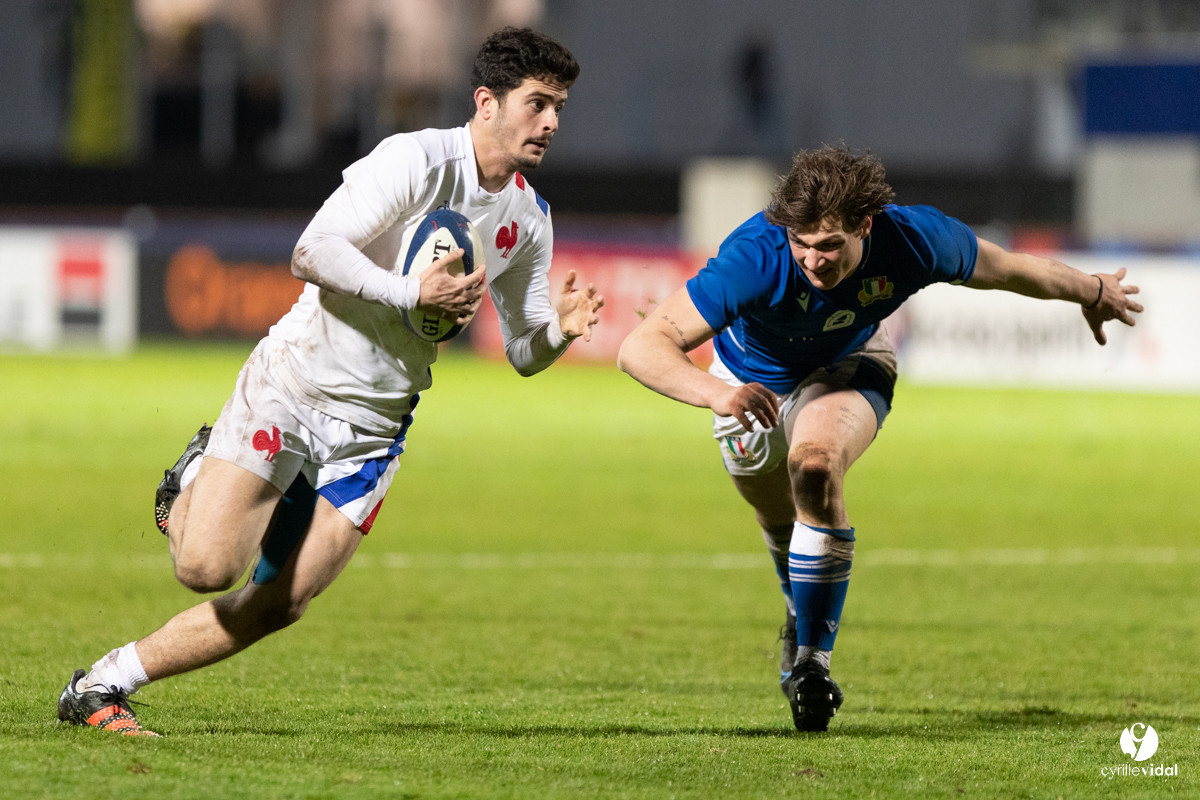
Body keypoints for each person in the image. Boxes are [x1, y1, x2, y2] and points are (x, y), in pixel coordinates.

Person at [57, 26, 603, 736]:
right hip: (294, 387)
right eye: (538, 103)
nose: (552, 122)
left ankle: (101, 685)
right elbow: (311, 250)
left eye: (560, 107)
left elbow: (524, 350)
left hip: (373, 430)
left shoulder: (528, 219)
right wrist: (410, 293)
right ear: (486, 102)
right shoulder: (414, 160)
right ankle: (192, 477)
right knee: (205, 570)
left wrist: (560, 330)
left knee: (281, 603)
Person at [617, 144, 1142, 733]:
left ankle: (811, 665)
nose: (813, 260)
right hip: (746, 383)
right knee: (777, 518)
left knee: (815, 468)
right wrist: (717, 393)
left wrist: (1093, 290)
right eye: (802, 245)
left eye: (829, 245)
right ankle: (797, 606)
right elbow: (640, 347)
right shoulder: (756, 256)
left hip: (847, 363)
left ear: (864, 226)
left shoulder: (915, 239)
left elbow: (1009, 268)